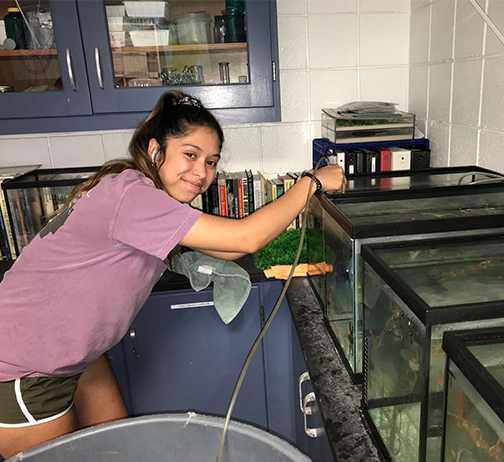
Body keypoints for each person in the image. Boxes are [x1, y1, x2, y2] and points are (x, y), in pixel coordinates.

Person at [0, 91, 346, 459]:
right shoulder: (132, 196)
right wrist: (311, 181)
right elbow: (245, 237)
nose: (202, 172)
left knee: (120, 451)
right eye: (191, 154)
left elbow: (229, 247)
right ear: (155, 151)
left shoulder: (144, 194)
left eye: (211, 162)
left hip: (77, 357)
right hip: (25, 367)